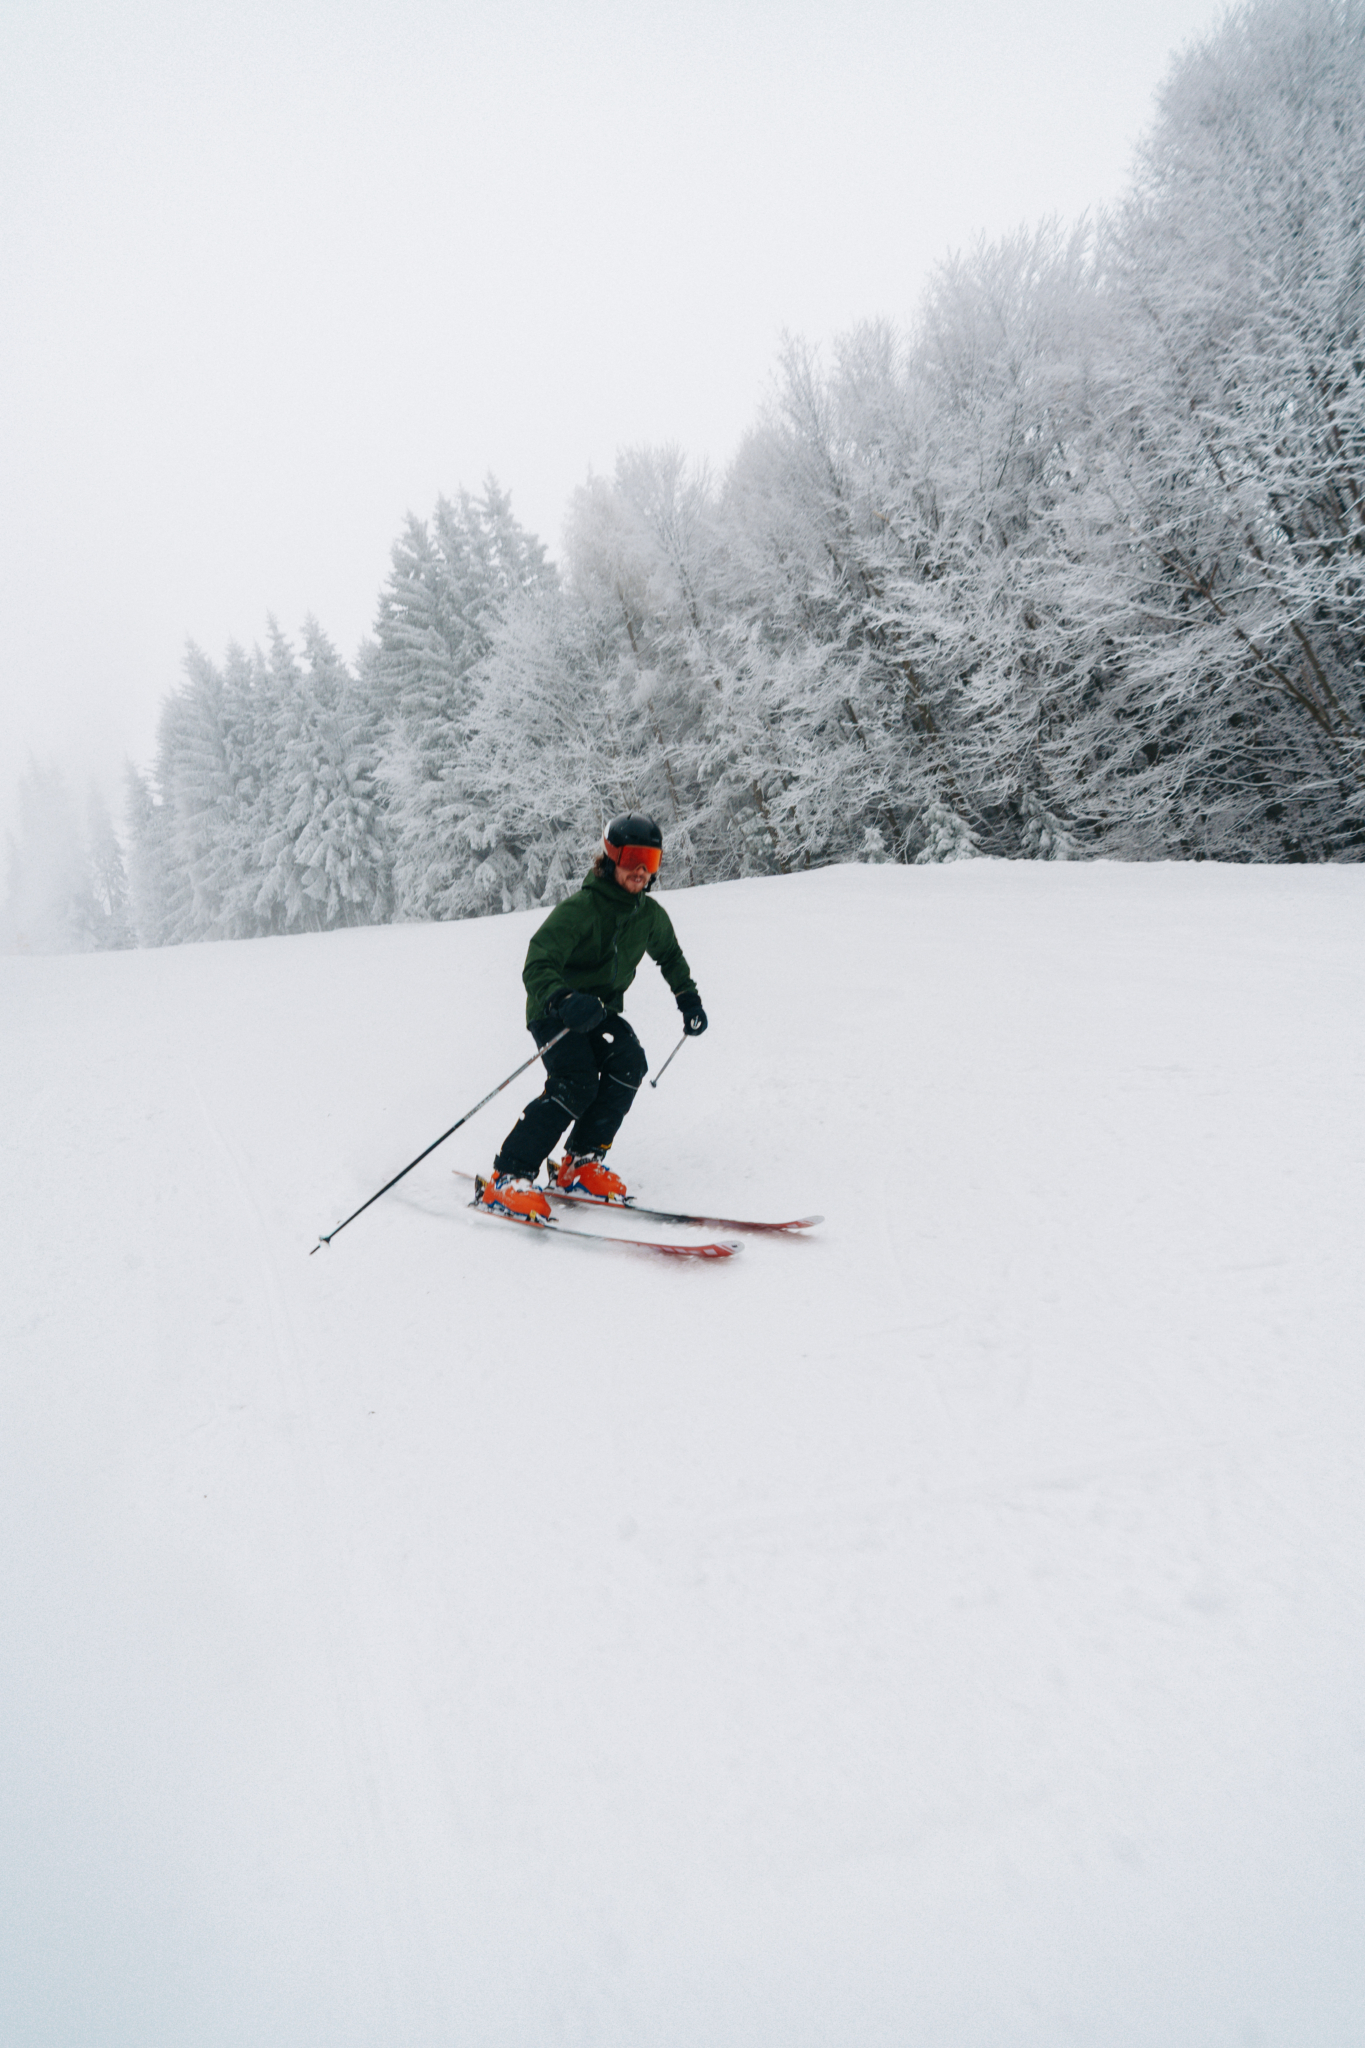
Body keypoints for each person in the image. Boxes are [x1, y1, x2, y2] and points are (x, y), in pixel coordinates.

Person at [480, 812, 707, 1221]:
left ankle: (580, 1162)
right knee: (576, 1082)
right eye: (633, 858)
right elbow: (538, 961)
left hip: (600, 1012)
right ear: (611, 857)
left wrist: (688, 999)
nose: (641, 870)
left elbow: (670, 956)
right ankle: (509, 1176)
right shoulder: (581, 909)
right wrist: (562, 998)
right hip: (556, 1011)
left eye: (650, 861)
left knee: (629, 1062)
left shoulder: (649, 915)